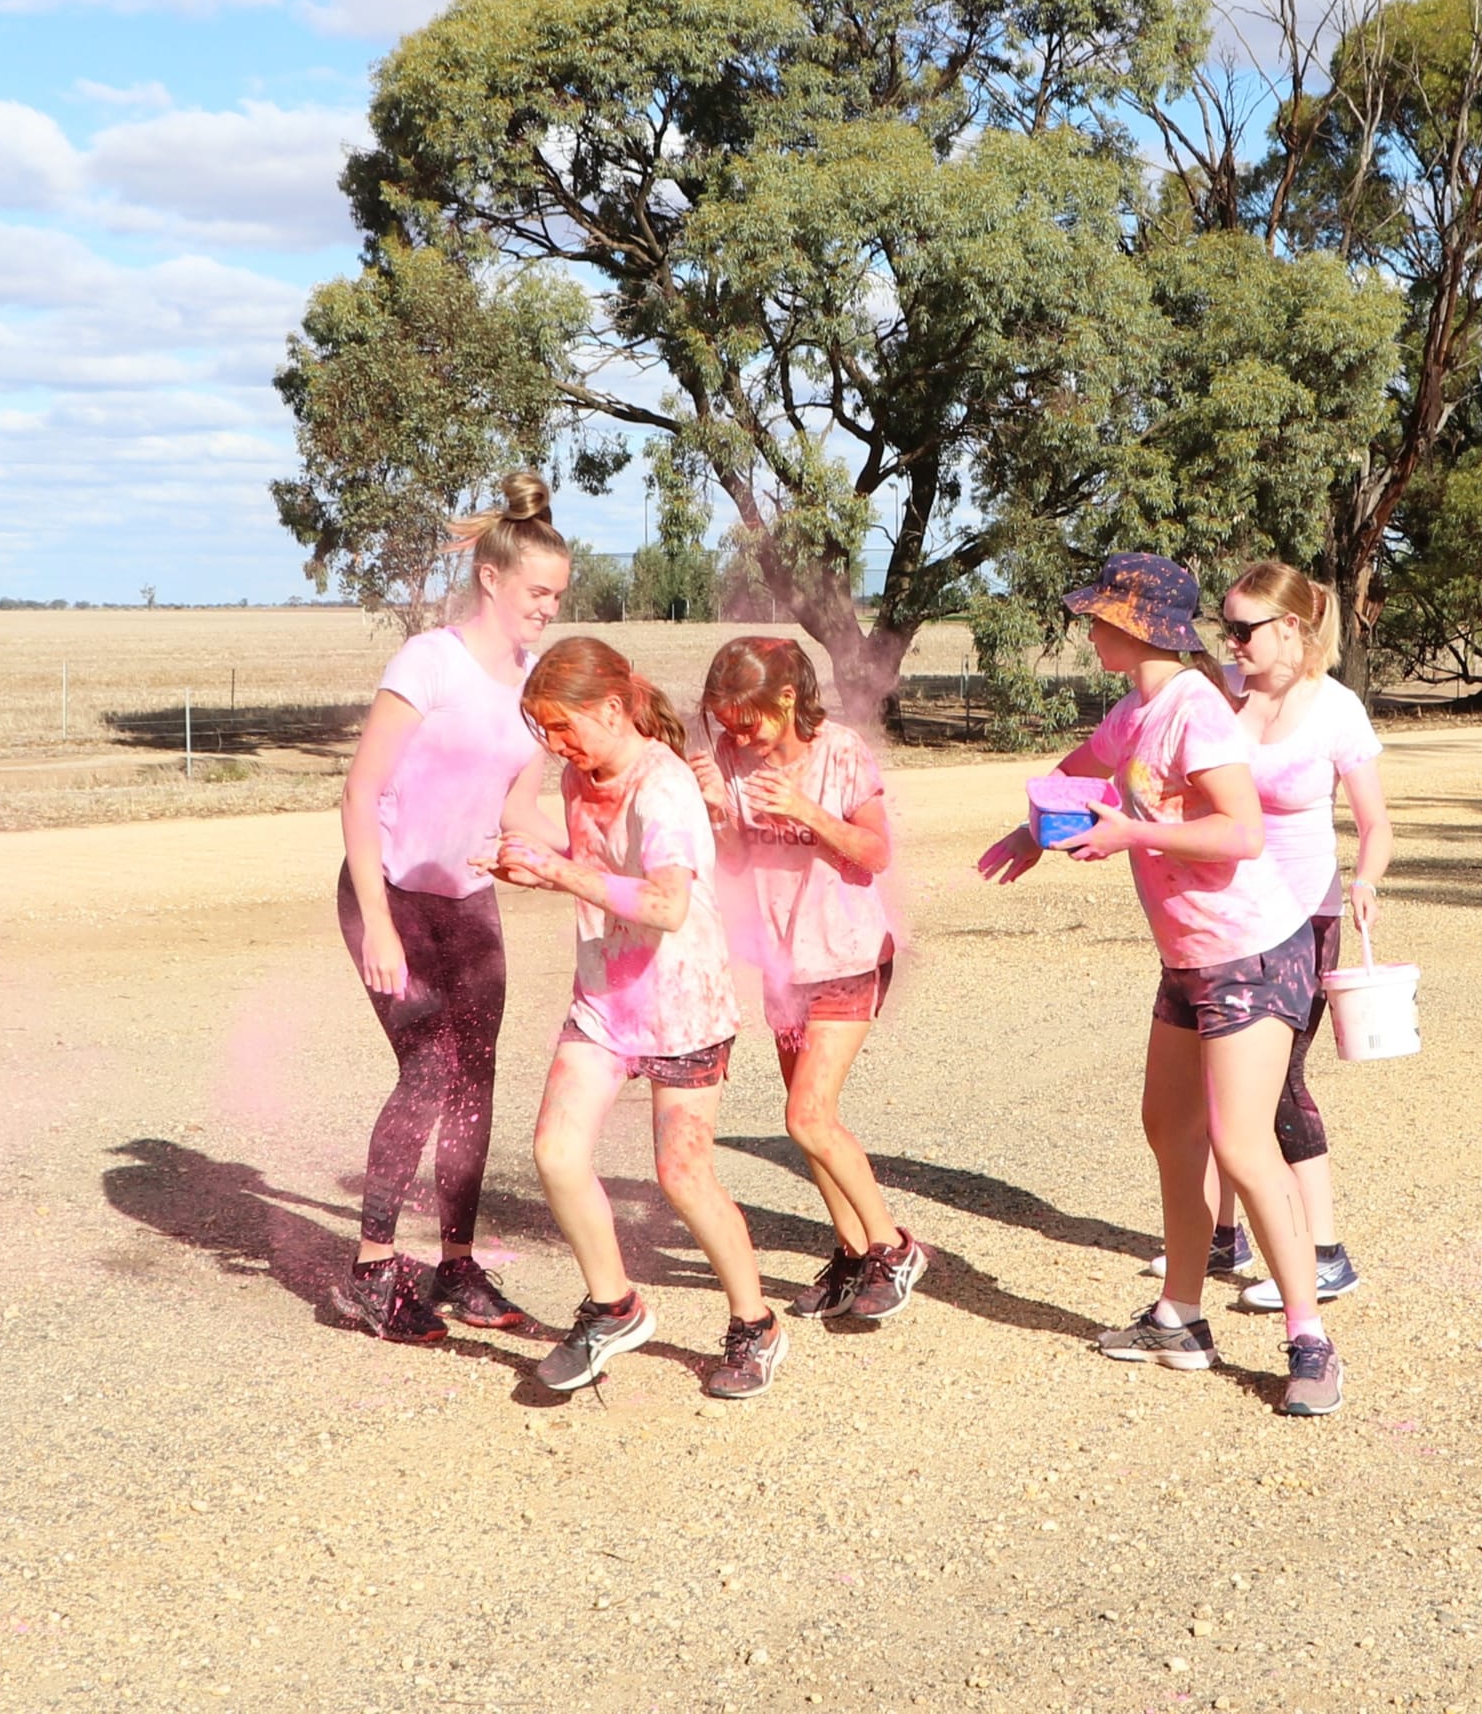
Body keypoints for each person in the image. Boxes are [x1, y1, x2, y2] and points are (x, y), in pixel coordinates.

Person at [977, 554, 1345, 1417]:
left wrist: (1131, 836)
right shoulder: (1137, 709)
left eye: (1101, 616)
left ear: (1141, 626)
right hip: (1191, 958)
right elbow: (1081, 770)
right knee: (1167, 1128)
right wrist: (1036, 830)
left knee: (1243, 1145)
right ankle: (1182, 1314)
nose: (1089, 627)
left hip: (1251, 952)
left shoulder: (1193, 712)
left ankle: (1309, 1338)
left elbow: (1242, 833)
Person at [476, 637, 783, 1399]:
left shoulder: (664, 789)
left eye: (562, 727)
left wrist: (558, 874)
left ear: (613, 710)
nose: (554, 746)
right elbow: (597, 867)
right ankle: (613, 1306)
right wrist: (533, 861)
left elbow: (667, 904)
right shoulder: (583, 775)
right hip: (606, 1002)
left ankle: (757, 1326)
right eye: (541, 731)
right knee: (555, 1153)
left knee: (683, 1177)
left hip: (685, 1006)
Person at [329, 472, 572, 1344]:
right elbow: (359, 796)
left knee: (476, 1079)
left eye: (558, 595)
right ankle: (368, 1271)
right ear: (493, 581)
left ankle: (457, 1267)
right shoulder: (427, 662)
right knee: (428, 1071)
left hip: (469, 906)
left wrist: (597, 858)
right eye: (538, 593)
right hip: (388, 895)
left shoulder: (535, 685)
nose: (548, 609)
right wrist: (381, 928)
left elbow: (518, 812)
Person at [1147, 563, 1390, 1309]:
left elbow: (1376, 823)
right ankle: (1223, 1236)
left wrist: (1365, 881)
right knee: (1214, 1089)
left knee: (1275, 1084)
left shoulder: (1336, 709)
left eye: (1245, 629)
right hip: (1227, 915)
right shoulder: (1221, 688)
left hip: (1304, 919)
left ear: (1291, 627)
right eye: (1227, 629)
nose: (1233, 642)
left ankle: (1323, 1251)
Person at [690, 637, 926, 1321]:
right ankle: (852, 1252)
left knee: (808, 1113)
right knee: (807, 1126)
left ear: (788, 698)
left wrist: (807, 812)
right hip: (783, 962)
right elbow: (733, 864)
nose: (738, 735)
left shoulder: (840, 752)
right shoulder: (734, 760)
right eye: (727, 723)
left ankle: (892, 1246)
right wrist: (717, 812)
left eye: (749, 720)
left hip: (847, 953)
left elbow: (875, 851)